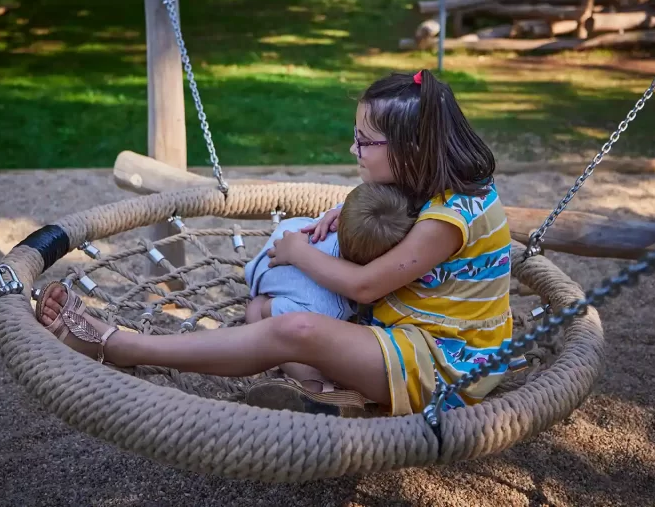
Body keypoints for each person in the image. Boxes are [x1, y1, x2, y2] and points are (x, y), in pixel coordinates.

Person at [34, 69, 514, 418]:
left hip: (447, 365)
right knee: (263, 309)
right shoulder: (436, 178)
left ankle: (125, 347)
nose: (354, 151)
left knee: (297, 329)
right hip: (404, 332)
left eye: (365, 141)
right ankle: (316, 394)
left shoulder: (449, 218)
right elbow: (403, 212)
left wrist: (297, 252)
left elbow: (366, 287)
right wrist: (345, 213)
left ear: (411, 149)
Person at [243, 182, 416, 396]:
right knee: (257, 311)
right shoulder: (329, 307)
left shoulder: (339, 223)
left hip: (295, 232)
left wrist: (336, 211)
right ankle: (317, 385)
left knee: (255, 311)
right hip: (266, 275)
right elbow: (271, 310)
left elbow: (360, 210)